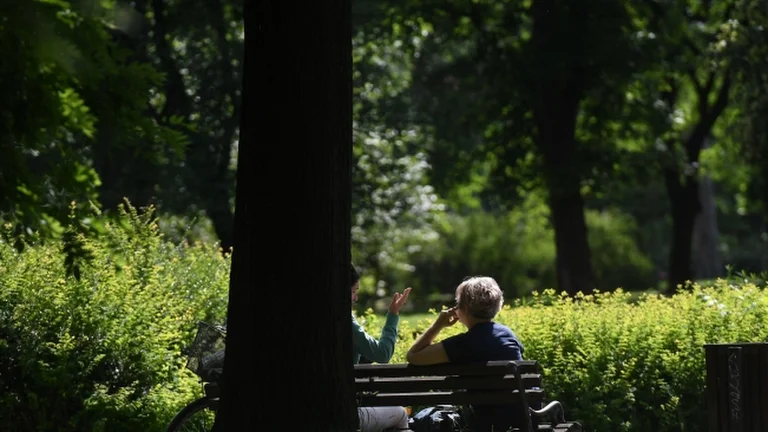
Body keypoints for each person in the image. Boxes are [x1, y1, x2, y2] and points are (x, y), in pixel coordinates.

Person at [405, 276, 525, 432]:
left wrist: (438, 325)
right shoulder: (507, 334)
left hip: (486, 423)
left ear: (464, 309)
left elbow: (413, 356)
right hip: (523, 418)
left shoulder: (462, 344)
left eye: (457, 303)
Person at [351, 264, 413, 432]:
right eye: (353, 291)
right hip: (346, 415)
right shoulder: (347, 323)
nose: (355, 298)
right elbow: (383, 354)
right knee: (400, 413)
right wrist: (393, 314)